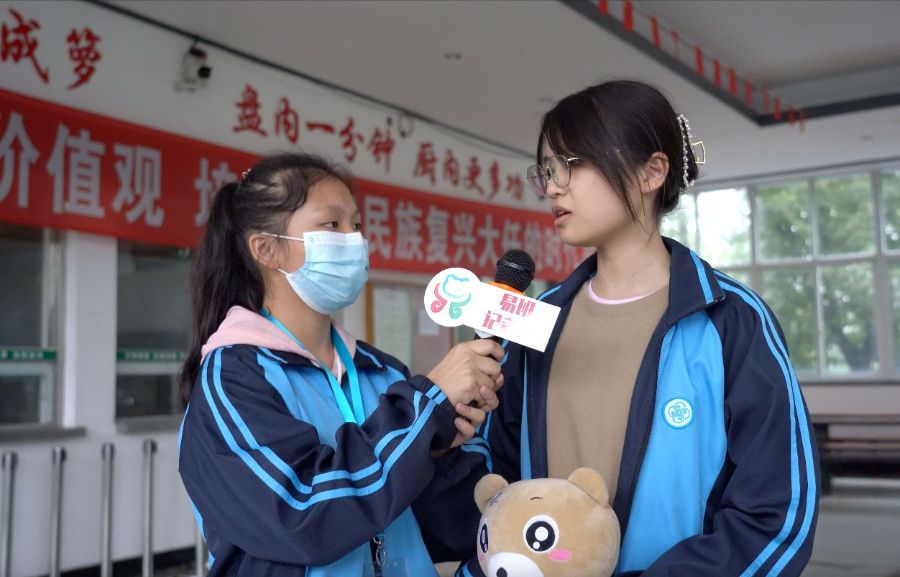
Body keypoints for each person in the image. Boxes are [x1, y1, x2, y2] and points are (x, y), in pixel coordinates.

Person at [455, 80, 819, 576]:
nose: (553, 186)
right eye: (547, 169)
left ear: (652, 171)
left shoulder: (731, 318)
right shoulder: (538, 319)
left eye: (572, 164)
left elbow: (776, 514)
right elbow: (498, 481)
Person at [177, 153, 505, 577]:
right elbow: (303, 515)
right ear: (267, 249)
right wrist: (425, 407)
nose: (354, 241)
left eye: (357, 225)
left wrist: (438, 449)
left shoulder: (382, 371)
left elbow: (440, 527)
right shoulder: (232, 378)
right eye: (332, 224)